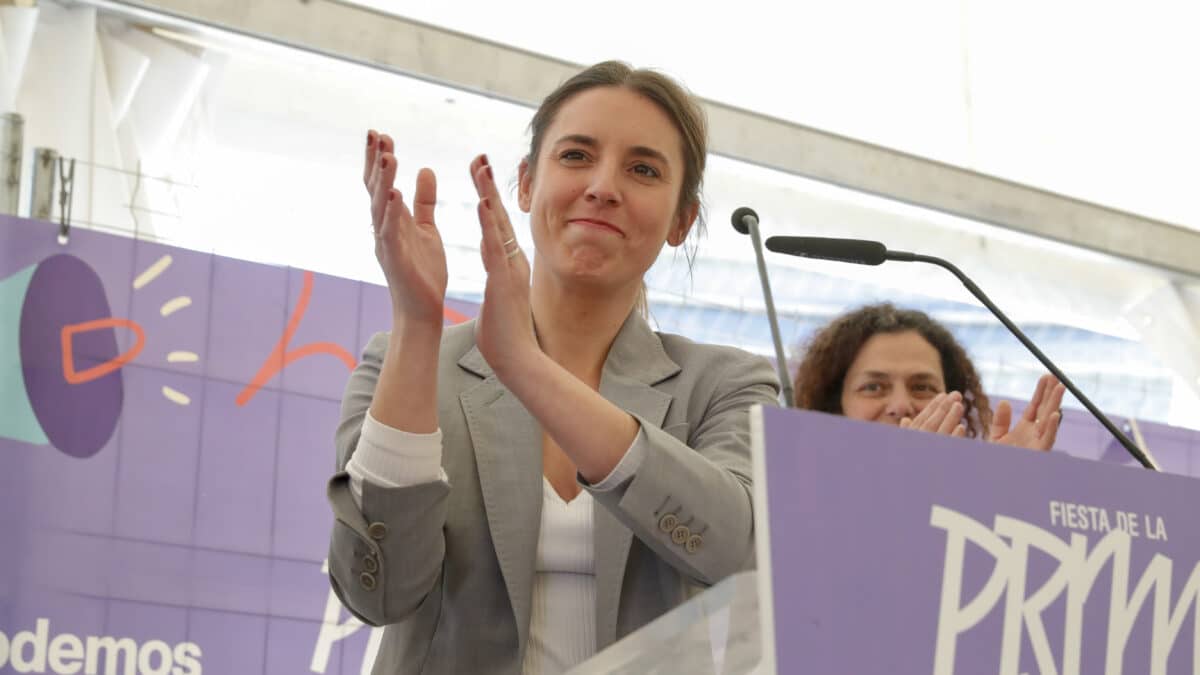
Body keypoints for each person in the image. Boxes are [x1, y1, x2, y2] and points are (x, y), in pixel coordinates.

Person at [326, 61, 780, 674]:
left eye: (643, 169)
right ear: (524, 184)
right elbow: (375, 593)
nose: (603, 186)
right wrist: (416, 322)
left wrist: (527, 368)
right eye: (575, 156)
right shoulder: (404, 359)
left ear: (681, 221)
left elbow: (734, 550)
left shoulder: (726, 384)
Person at [793, 303, 1065, 450]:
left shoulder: (969, 494)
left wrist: (1004, 487)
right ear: (833, 406)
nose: (901, 405)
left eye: (922, 387)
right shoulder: (797, 492)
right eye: (874, 387)